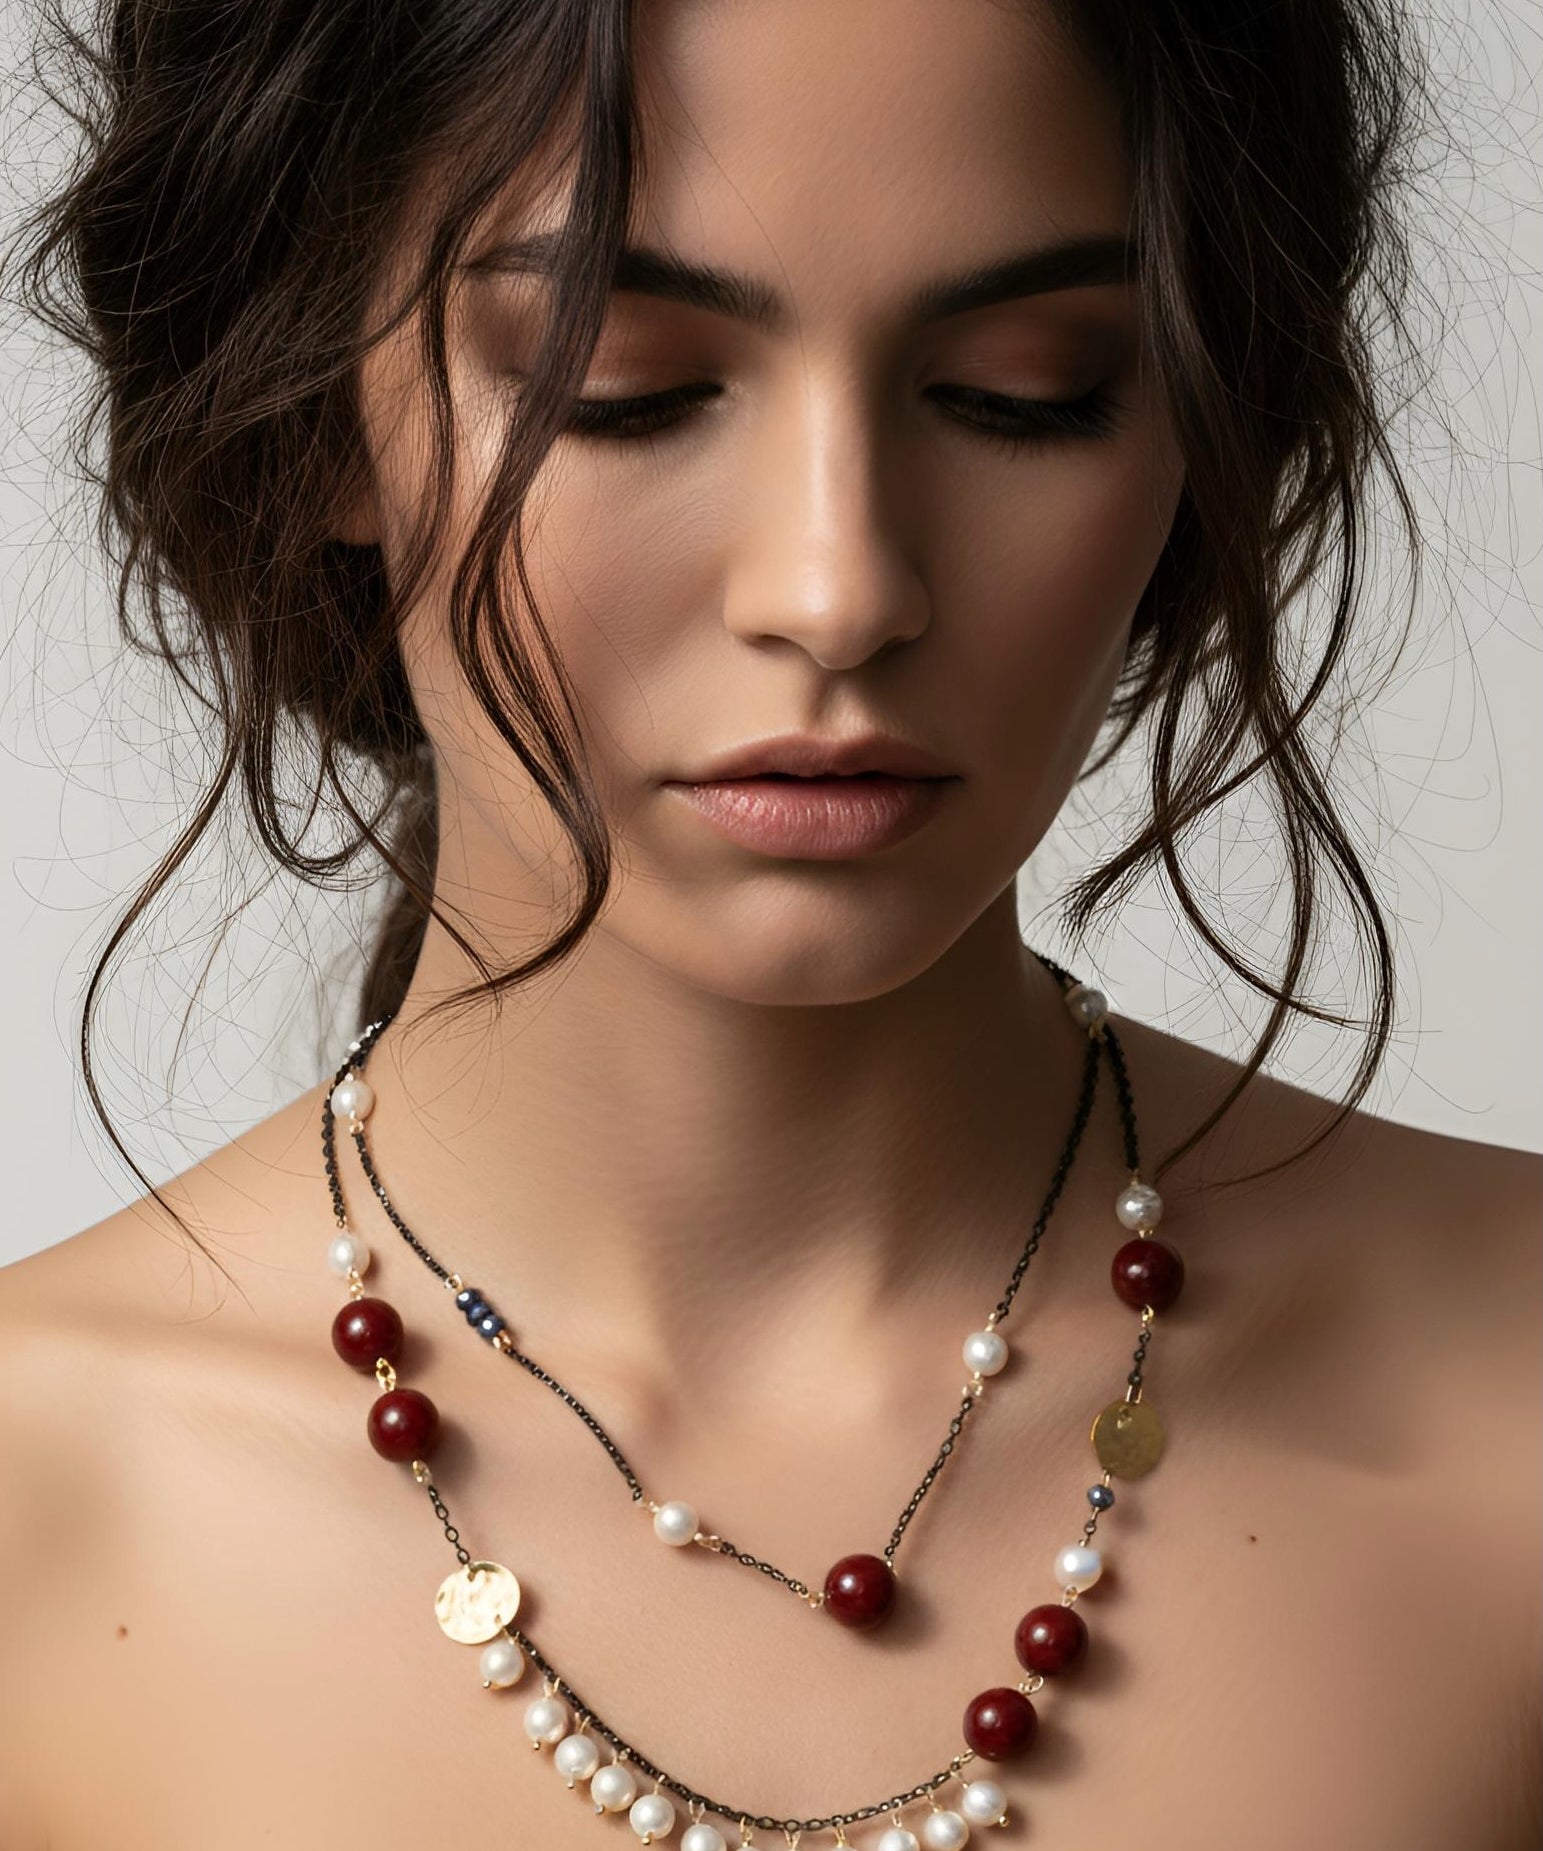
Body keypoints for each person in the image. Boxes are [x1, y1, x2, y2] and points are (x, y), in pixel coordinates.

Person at [0, 0, 1536, 1846]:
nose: (840, 587)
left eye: (1027, 391)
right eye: (624, 387)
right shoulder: (42, 1515)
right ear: (315, 407)